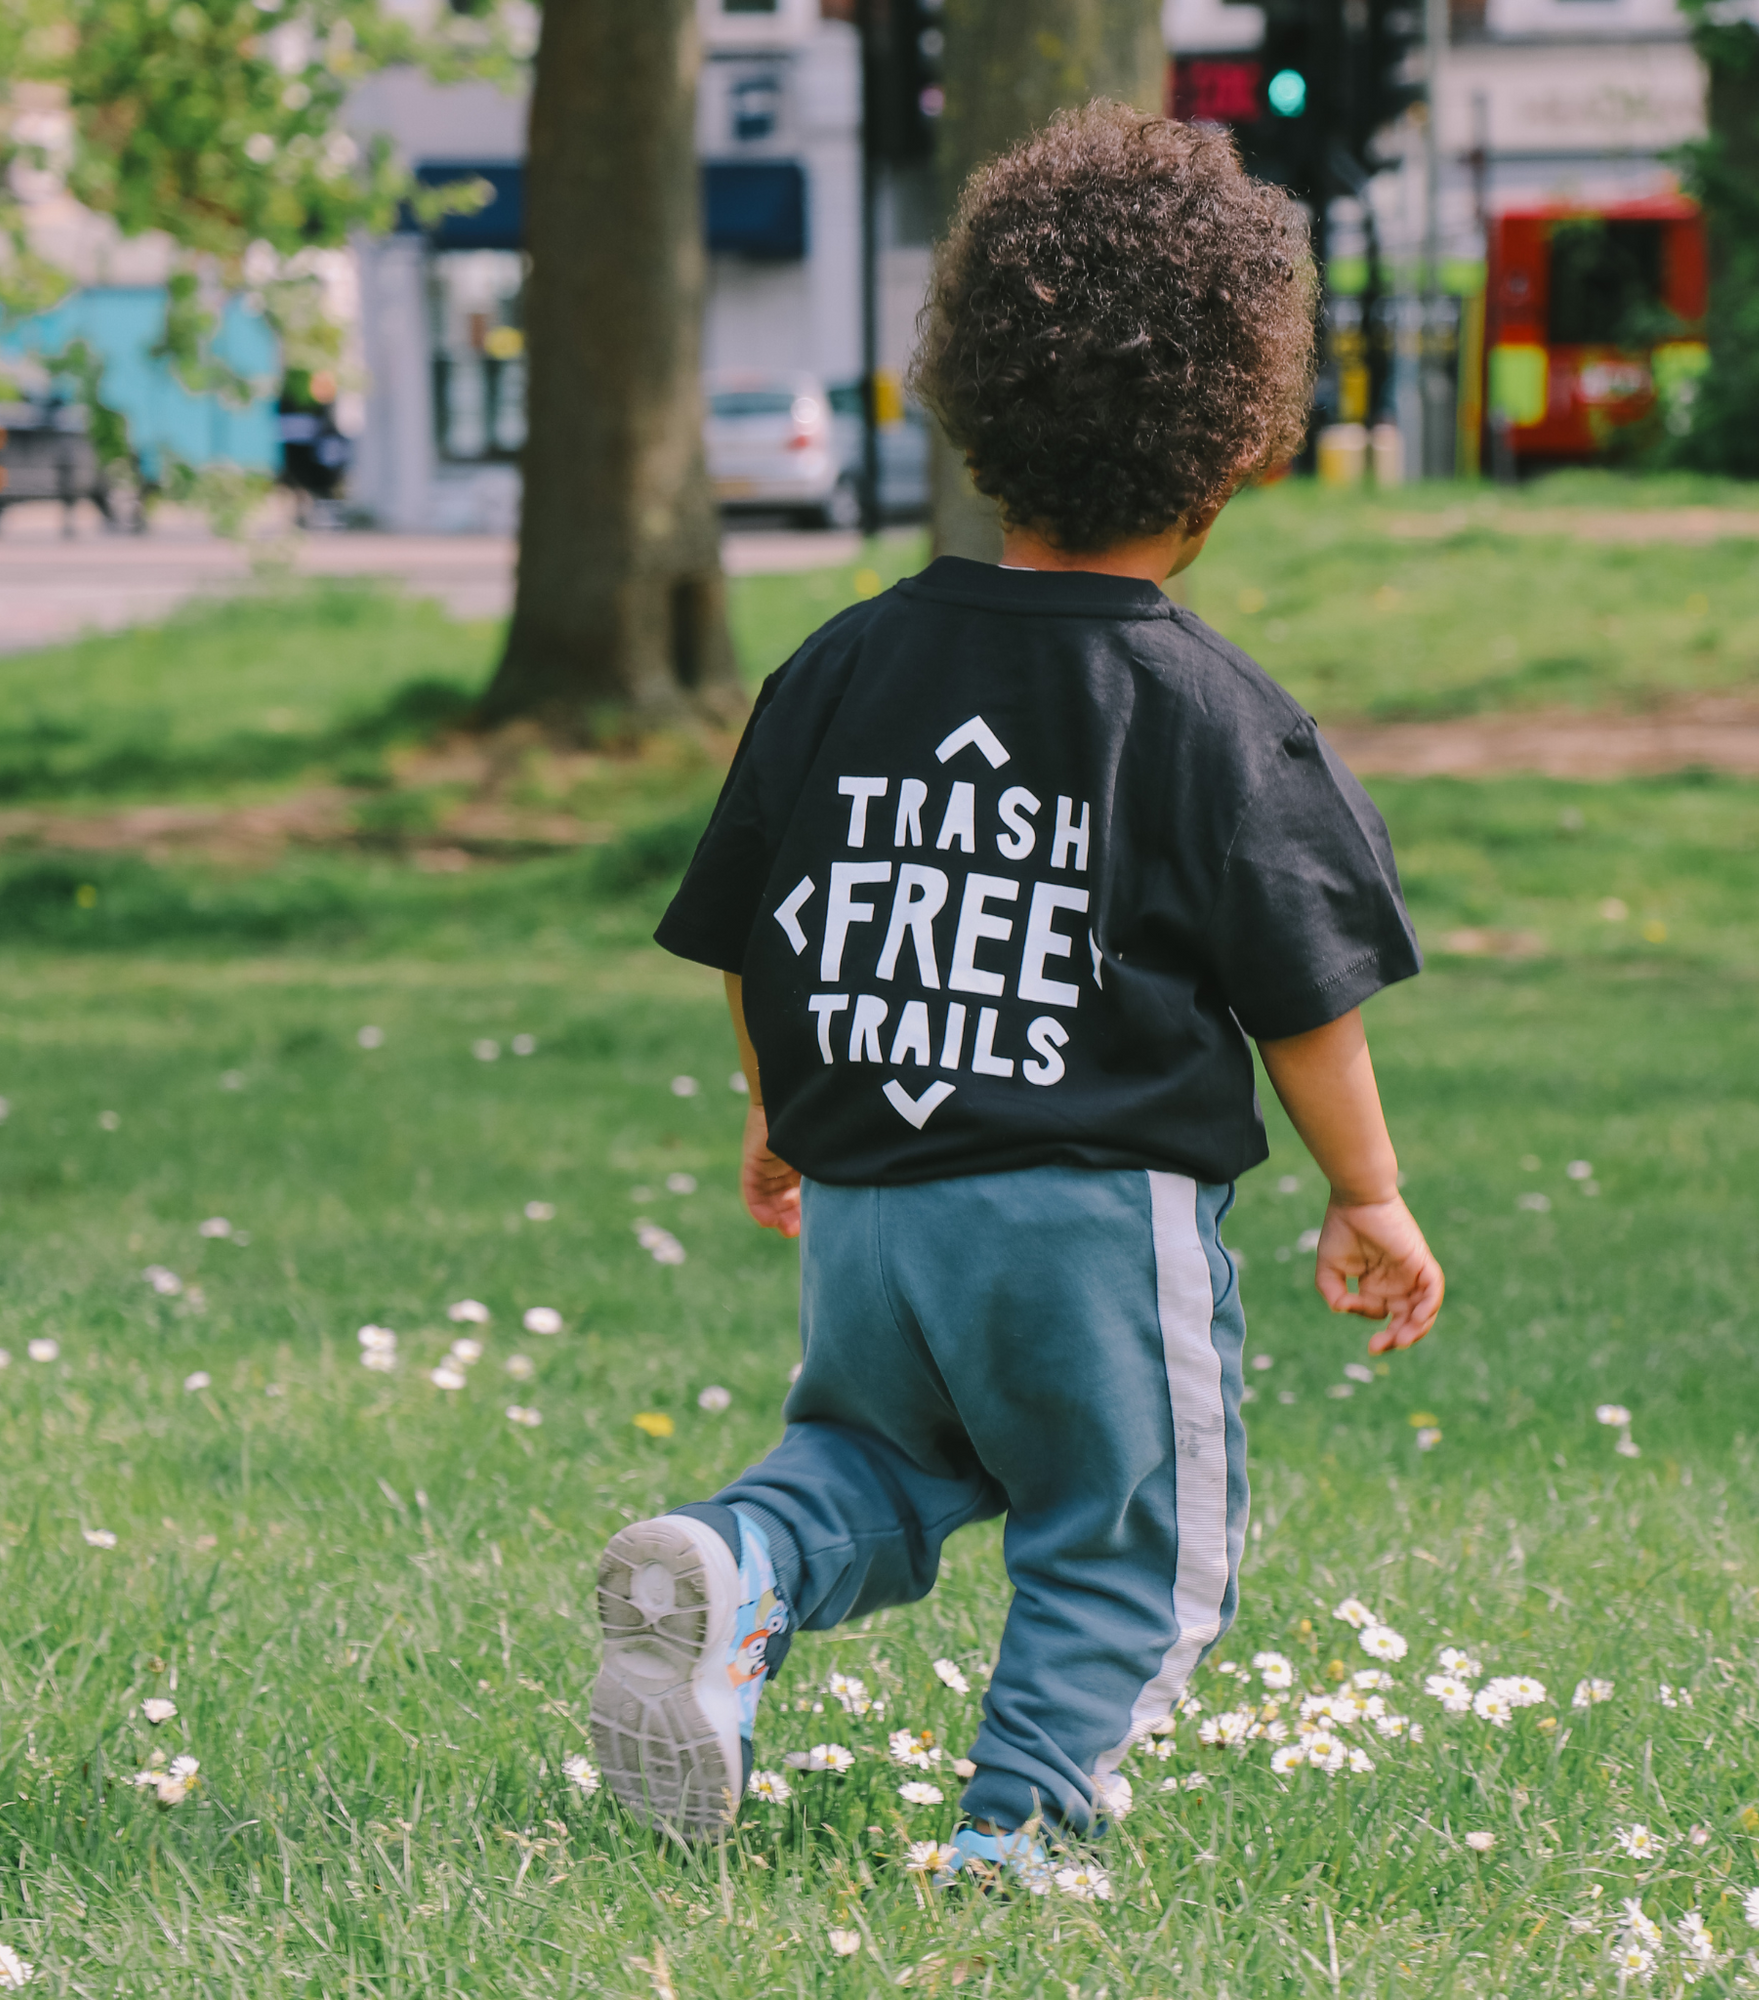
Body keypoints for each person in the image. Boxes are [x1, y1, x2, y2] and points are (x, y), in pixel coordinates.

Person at [588, 101, 1445, 1874]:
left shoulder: (841, 666)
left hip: (873, 1211)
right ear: (1237, 446)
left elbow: (757, 924)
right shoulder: (1214, 715)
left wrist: (780, 1114)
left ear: (975, 404)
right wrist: (1367, 1191)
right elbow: (1303, 992)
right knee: (1126, 1538)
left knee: (879, 1466)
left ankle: (739, 1564)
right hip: (1085, 1225)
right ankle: (1024, 1837)